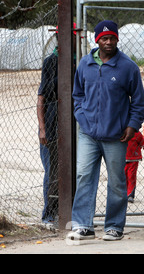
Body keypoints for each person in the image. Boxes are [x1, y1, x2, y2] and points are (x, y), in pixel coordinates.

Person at [68, 20, 144, 241]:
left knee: (117, 181)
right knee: (84, 176)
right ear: (97, 40)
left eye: (112, 38)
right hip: (88, 134)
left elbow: (138, 101)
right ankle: (83, 225)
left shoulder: (128, 67)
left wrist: (132, 126)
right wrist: (82, 118)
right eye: (104, 38)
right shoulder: (85, 64)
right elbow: (78, 95)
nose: (109, 42)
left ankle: (114, 226)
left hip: (116, 135)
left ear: (117, 39)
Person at [37, 24, 78, 226]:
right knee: (53, 173)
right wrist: (42, 128)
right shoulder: (50, 62)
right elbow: (41, 98)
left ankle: (73, 214)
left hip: (76, 127)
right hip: (52, 125)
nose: (65, 40)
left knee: (77, 172)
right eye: (60, 36)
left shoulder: (81, 63)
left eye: (69, 36)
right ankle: (50, 215)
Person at [125, 130, 144, 203]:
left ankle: (130, 194)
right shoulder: (120, 130)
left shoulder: (137, 133)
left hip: (133, 158)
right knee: (123, 176)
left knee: (131, 176)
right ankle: (124, 194)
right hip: (122, 157)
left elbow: (141, 142)